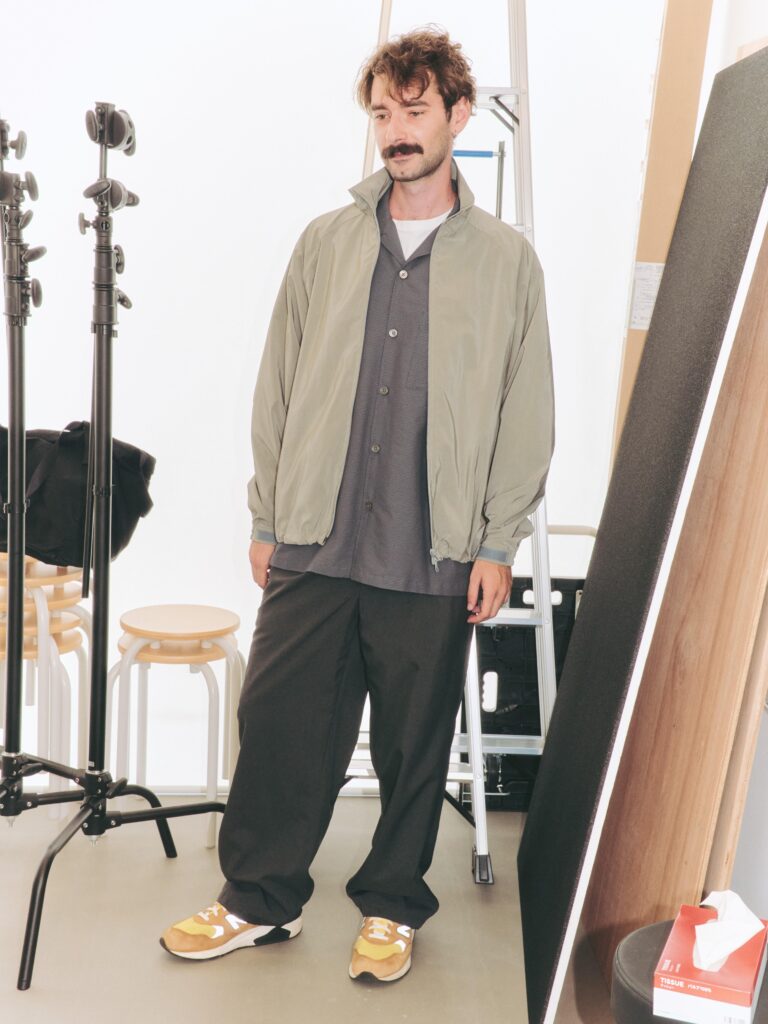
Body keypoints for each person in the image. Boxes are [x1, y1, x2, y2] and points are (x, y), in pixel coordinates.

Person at [160, 27, 555, 983]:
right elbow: (279, 383)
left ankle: (391, 906)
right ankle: (258, 899)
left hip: (432, 545)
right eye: (383, 113)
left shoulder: (507, 262)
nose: (396, 131)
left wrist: (497, 542)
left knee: (415, 743)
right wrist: (267, 515)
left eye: (415, 111)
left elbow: (526, 409)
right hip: (315, 535)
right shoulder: (327, 242)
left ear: (458, 115)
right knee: (280, 725)